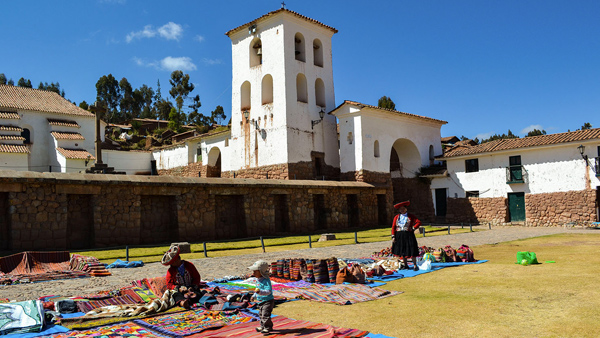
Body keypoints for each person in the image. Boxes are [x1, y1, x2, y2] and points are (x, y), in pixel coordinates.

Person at [162, 245, 202, 309]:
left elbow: (196, 277)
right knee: (176, 295)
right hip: (179, 290)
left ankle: (192, 298)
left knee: (197, 293)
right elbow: (169, 284)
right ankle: (183, 303)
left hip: (191, 287)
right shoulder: (171, 271)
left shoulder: (189, 265)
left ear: (177, 260)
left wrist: (192, 286)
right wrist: (178, 288)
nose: (171, 265)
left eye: (172, 262)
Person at [390, 201, 422, 271]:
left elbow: (418, 222)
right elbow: (393, 227)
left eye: (403, 209)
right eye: (400, 209)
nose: (402, 210)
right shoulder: (396, 217)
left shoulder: (410, 216)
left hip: (408, 234)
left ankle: (415, 265)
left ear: (406, 209)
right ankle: (405, 265)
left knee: (412, 249)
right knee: (402, 250)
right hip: (399, 235)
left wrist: (413, 228)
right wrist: (393, 236)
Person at [248, 259, 274, 334]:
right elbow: (257, 290)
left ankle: (268, 327)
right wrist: (254, 296)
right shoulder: (258, 280)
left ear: (261, 271)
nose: (253, 273)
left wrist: (260, 292)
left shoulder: (266, 280)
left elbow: (268, 291)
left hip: (268, 301)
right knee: (261, 315)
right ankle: (263, 326)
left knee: (265, 315)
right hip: (261, 301)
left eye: (255, 271)